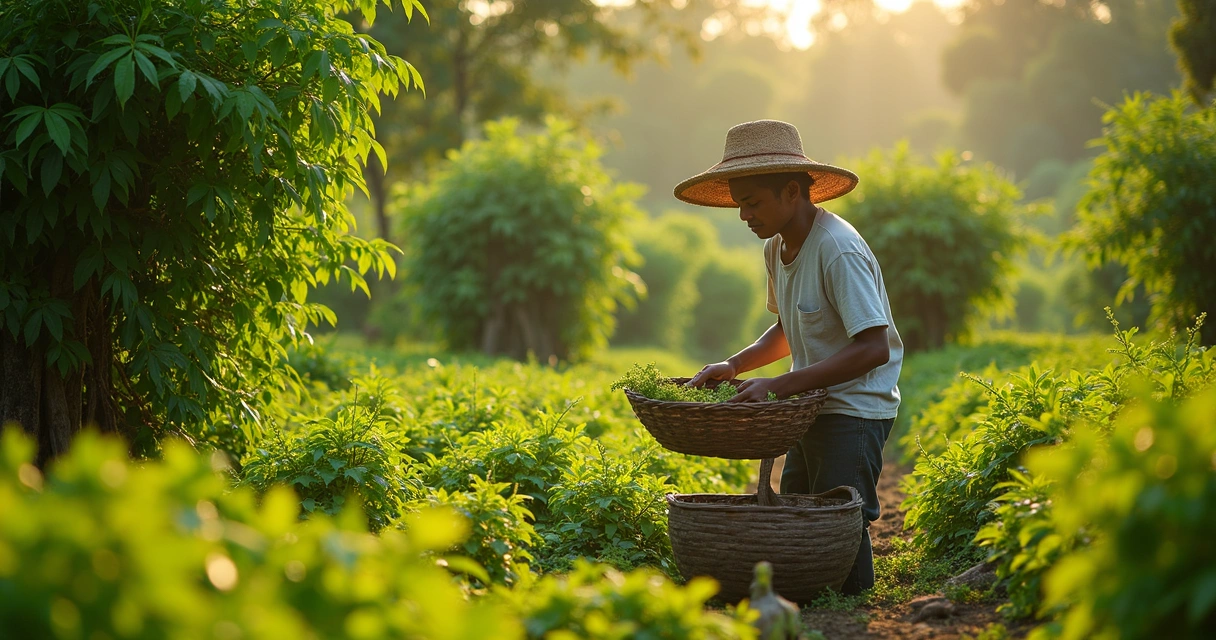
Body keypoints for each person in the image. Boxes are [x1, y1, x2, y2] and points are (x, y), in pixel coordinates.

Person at [680, 119, 903, 595]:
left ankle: (855, 606)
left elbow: (873, 347)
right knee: (800, 512)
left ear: (791, 192)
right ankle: (813, 601)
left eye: (753, 203)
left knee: (841, 515)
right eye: (740, 205)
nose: (745, 215)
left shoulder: (837, 249)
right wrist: (735, 366)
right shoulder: (776, 248)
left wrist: (776, 386)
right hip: (809, 402)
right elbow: (788, 329)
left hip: (854, 407)